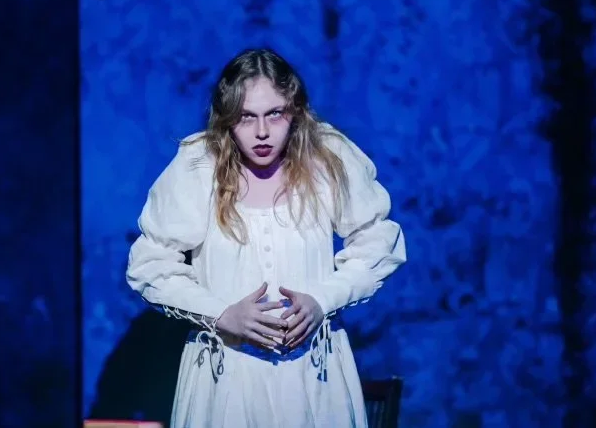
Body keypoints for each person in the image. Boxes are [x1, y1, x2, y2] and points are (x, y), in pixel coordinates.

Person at [126, 48, 407, 427]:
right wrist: (221, 314)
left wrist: (324, 299)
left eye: (274, 113)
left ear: (294, 110)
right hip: (226, 374)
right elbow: (150, 263)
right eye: (246, 117)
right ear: (227, 118)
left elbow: (378, 240)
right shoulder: (199, 166)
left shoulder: (327, 156)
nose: (261, 132)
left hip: (311, 374)